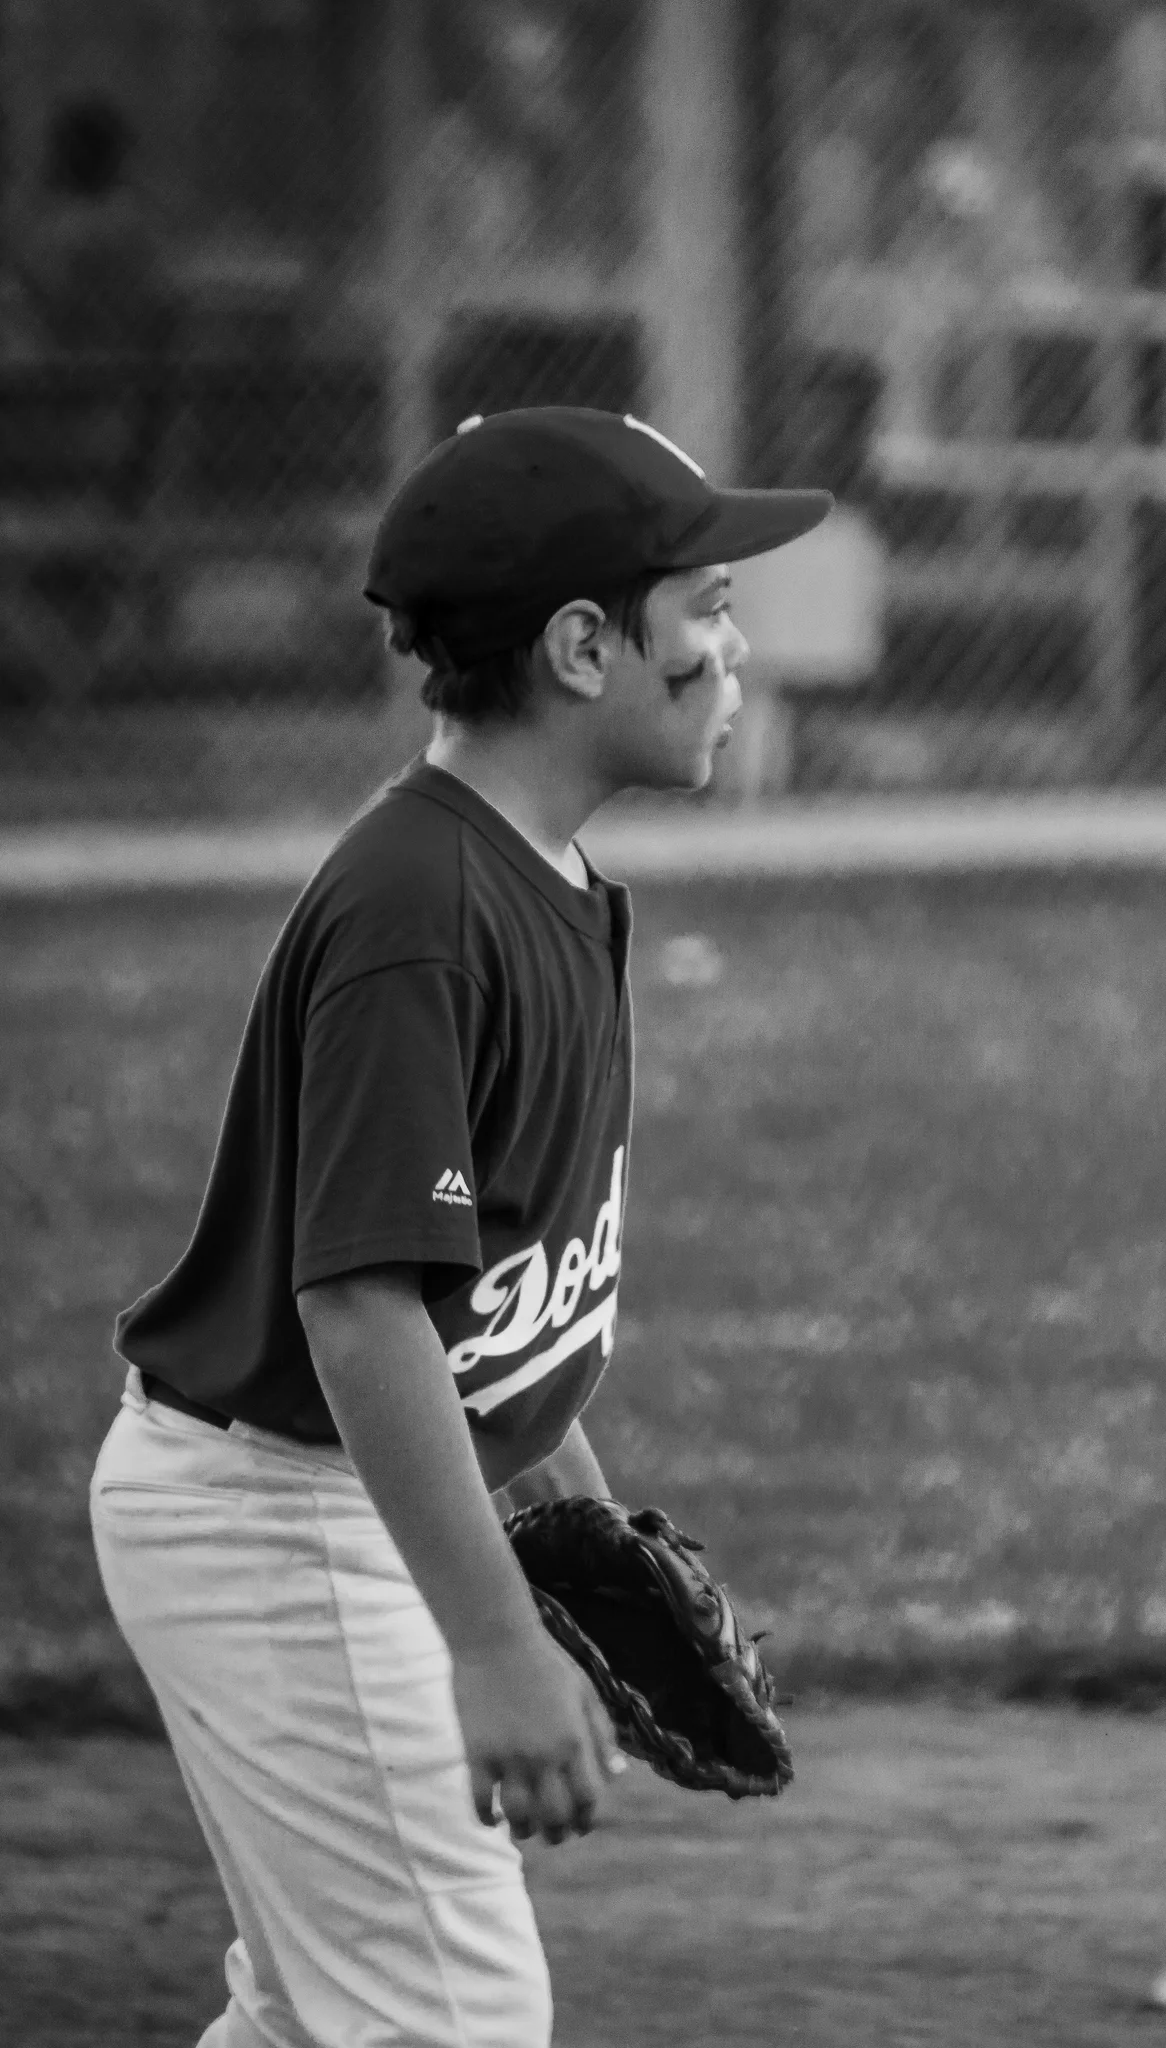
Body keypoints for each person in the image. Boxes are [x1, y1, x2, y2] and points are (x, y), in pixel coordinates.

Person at [89, 406, 832, 2048]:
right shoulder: (422, 913)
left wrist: (582, 1522)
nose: (733, 648)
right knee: (451, 2017)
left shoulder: (534, 880)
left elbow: (478, 1306)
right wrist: (494, 1643)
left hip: (336, 1497)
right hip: (281, 1516)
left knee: (325, 2020)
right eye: (705, 608)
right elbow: (360, 1308)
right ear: (582, 649)